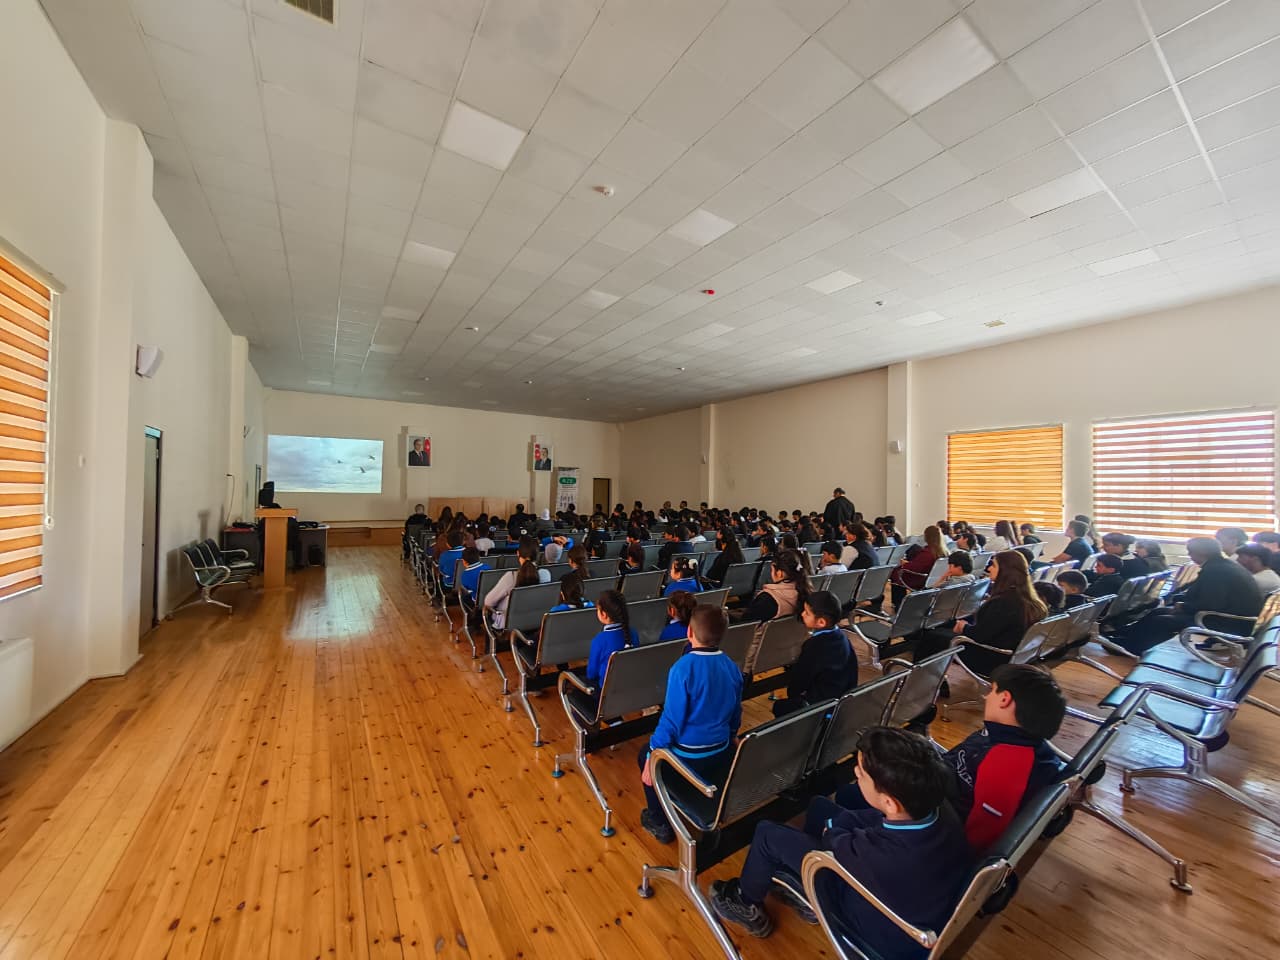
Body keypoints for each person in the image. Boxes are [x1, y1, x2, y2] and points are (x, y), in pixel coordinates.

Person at [709, 726, 970, 948]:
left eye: (861, 773)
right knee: (820, 806)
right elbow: (867, 823)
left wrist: (834, 831)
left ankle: (744, 902)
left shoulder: (880, 856)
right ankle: (803, 890)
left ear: (890, 803)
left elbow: (837, 841)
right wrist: (837, 828)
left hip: (872, 922)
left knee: (767, 834)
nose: (856, 773)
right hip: (903, 895)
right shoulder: (937, 808)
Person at [837, 665, 1067, 852]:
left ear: (1005, 699)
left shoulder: (1009, 764)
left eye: (992, 691)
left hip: (929, 814)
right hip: (936, 788)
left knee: (849, 795)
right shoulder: (1008, 737)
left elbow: (980, 835)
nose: (986, 696)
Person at [639, 605, 742, 843]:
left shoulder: (682, 668)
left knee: (644, 755)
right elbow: (736, 710)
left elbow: (671, 720)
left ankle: (659, 821)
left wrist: (652, 754)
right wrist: (733, 734)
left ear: (689, 632)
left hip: (689, 754)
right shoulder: (731, 666)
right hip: (721, 748)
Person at [1113, 537, 1263, 654]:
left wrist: (1183, 607)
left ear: (1200, 553)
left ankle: (1131, 648)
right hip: (1229, 617)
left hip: (1228, 622)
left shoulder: (1216, 571)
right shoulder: (1221, 566)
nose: (1189, 555)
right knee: (1158, 612)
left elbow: (1212, 604)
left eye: (1190, 552)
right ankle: (1124, 637)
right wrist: (1180, 602)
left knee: (1162, 621)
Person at [915, 551, 1047, 675]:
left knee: (932, 637)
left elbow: (979, 635)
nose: (989, 569)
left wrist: (963, 627)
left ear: (1005, 571)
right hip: (1011, 655)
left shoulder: (1004, 602)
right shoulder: (1030, 600)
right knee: (947, 625)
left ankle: (922, 680)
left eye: (993, 565)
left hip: (989, 657)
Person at [772, 591, 857, 717]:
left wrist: (793, 695)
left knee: (779, 707)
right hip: (840, 700)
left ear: (821, 622)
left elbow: (800, 679)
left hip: (818, 705)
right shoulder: (842, 637)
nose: (802, 614)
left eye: (807, 613)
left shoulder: (815, 645)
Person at [483, 538, 551, 629]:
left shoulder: (511, 577)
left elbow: (488, 602)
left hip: (509, 626)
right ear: (538, 555)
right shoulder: (545, 574)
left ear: (518, 553)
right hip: (537, 622)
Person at [586, 590, 637, 691]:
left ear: (603, 614)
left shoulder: (599, 640)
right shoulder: (633, 633)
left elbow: (591, 674)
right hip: (630, 688)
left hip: (605, 692)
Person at [739, 549, 809, 623]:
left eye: (772, 569)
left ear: (779, 573)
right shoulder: (805, 591)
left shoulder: (767, 599)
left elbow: (745, 623)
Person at [890, 525, 948, 605]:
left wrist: (905, 564)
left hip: (920, 579)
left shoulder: (928, 553)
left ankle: (898, 604)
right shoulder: (944, 552)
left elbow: (915, 567)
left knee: (895, 572)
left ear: (927, 537)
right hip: (934, 579)